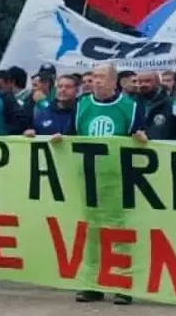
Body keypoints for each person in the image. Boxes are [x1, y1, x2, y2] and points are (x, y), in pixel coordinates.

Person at [55, 63, 146, 306]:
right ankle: (92, 284)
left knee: (119, 233)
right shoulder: (82, 105)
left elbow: (141, 138)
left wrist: (142, 138)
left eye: (102, 77)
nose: (96, 81)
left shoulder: (130, 106)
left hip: (119, 180)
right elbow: (72, 135)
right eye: (94, 76)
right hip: (88, 179)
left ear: (114, 81)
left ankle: (123, 284)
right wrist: (59, 140)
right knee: (91, 232)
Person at [136, 70, 176, 140]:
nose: (143, 84)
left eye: (147, 81)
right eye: (140, 82)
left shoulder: (173, 104)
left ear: (158, 83)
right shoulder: (133, 103)